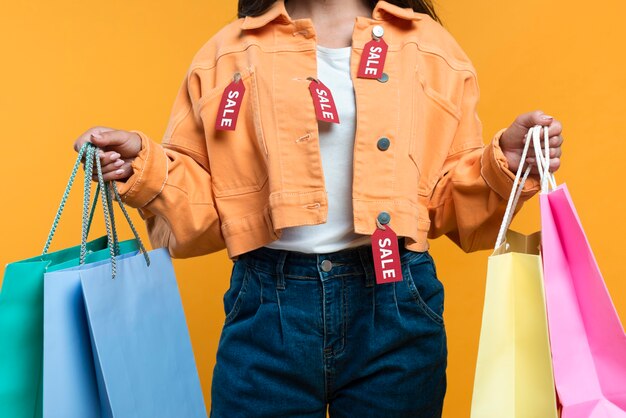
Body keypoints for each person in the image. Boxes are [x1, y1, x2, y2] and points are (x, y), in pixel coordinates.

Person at [73, 0, 564, 416]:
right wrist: (142, 166)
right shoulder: (225, 53)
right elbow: (204, 211)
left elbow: (447, 205)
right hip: (266, 308)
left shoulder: (432, 49)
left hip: (396, 305)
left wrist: (506, 162)